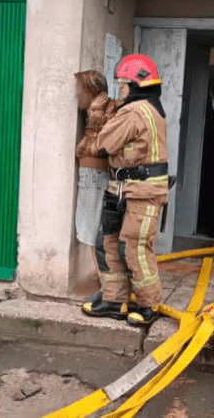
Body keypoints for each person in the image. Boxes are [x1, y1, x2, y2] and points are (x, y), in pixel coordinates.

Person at [81, 54, 169, 327]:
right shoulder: (148, 108)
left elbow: (103, 144)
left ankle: (149, 304)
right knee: (109, 242)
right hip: (125, 189)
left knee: (134, 248)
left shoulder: (135, 111)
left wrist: (101, 118)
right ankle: (114, 298)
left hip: (141, 192)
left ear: (136, 84)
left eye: (123, 86)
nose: (120, 91)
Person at [74, 70, 118, 303]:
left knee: (94, 234)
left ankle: (106, 289)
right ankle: (107, 286)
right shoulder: (99, 109)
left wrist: (95, 117)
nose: (76, 94)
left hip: (95, 176)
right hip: (95, 175)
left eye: (79, 89)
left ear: (90, 90)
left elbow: (97, 147)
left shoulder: (101, 111)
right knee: (95, 233)